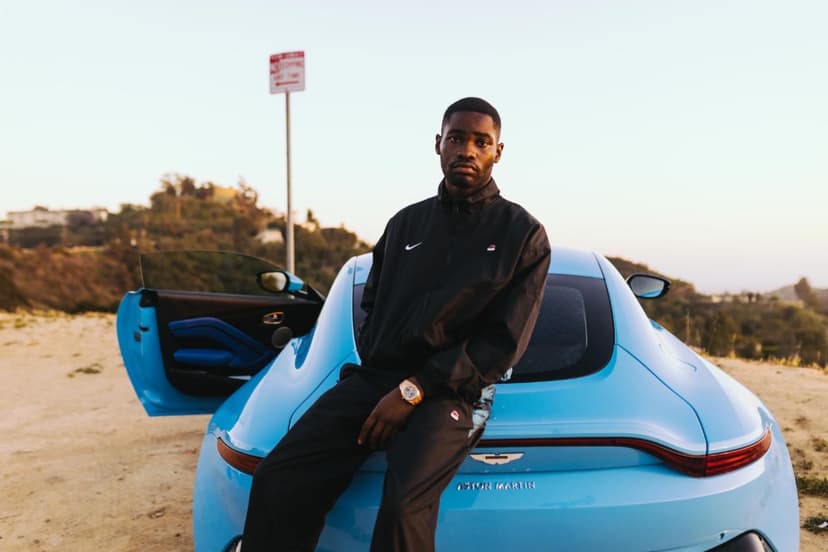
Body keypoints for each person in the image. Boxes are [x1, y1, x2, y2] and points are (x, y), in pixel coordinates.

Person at [235, 97, 551, 552]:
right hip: (377, 379)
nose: (467, 150)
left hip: (453, 393)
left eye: (481, 142)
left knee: (404, 508)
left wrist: (415, 388)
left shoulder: (523, 233)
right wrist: (384, 367)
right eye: (457, 138)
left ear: (498, 152)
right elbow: (372, 301)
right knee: (279, 476)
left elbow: (502, 342)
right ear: (438, 143)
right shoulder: (405, 224)